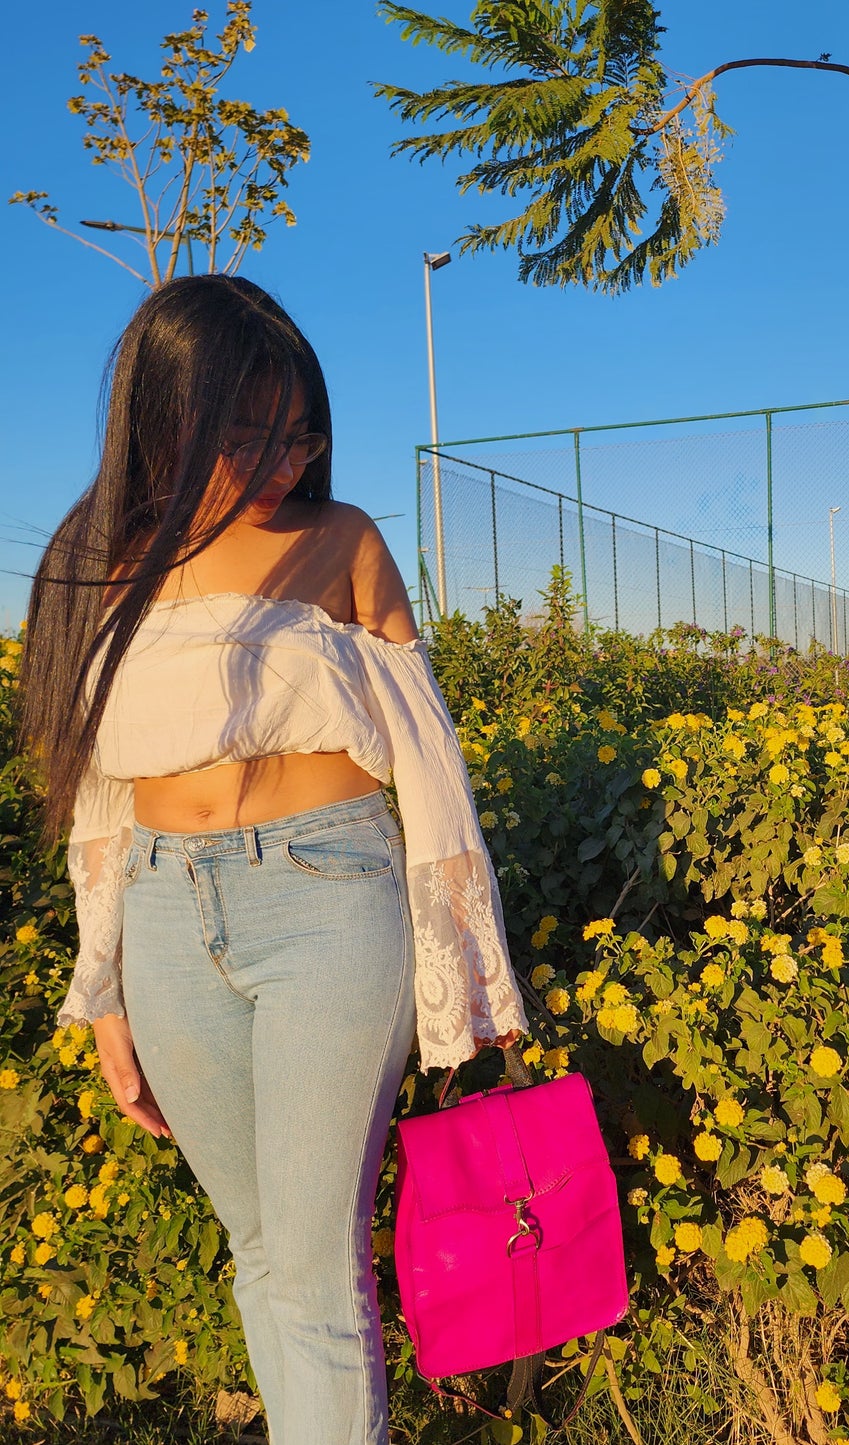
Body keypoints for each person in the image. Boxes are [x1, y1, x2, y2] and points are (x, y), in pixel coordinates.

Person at [19, 274, 528, 1445]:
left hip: (326, 899)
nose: (282, 458)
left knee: (311, 1266)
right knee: (261, 1251)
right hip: (160, 910)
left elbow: (428, 759)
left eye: (297, 429)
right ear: (165, 414)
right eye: (246, 428)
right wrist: (103, 993)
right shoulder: (99, 560)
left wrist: (468, 961)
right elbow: (97, 799)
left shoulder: (340, 541)